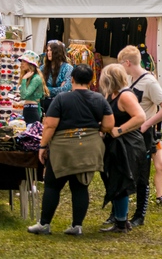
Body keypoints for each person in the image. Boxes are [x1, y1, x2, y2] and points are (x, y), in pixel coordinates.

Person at [28, 64, 114, 236]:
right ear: (90, 81)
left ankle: (45, 224)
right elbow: (109, 125)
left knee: (53, 185)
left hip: (63, 147)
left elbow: (50, 125)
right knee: (80, 187)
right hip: (89, 148)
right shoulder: (99, 99)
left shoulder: (61, 99)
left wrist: (43, 146)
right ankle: (77, 226)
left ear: (72, 79)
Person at [117, 45, 162, 223]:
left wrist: (146, 124)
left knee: (142, 174)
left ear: (128, 62)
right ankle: (119, 214)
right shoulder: (128, 79)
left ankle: (139, 215)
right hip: (129, 130)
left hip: (143, 132)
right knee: (125, 172)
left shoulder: (149, 82)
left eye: (121, 64)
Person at [98, 63, 146, 233]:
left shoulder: (125, 96)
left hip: (128, 144)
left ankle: (121, 222)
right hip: (116, 143)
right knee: (115, 180)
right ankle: (121, 219)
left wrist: (119, 130)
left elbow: (140, 117)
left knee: (121, 181)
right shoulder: (111, 94)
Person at [19, 50, 47, 124]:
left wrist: (24, 79)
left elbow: (24, 95)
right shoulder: (31, 77)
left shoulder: (36, 78)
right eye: (21, 61)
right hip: (28, 109)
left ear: (31, 64)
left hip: (32, 109)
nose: (22, 63)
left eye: (24, 61)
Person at [42, 39, 73, 106]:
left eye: (51, 50)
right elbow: (38, 88)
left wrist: (46, 89)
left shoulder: (68, 68)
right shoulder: (43, 68)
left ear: (58, 52)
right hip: (44, 103)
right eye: (48, 50)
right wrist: (59, 88)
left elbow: (66, 89)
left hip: (61, 103)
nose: (49, 53)